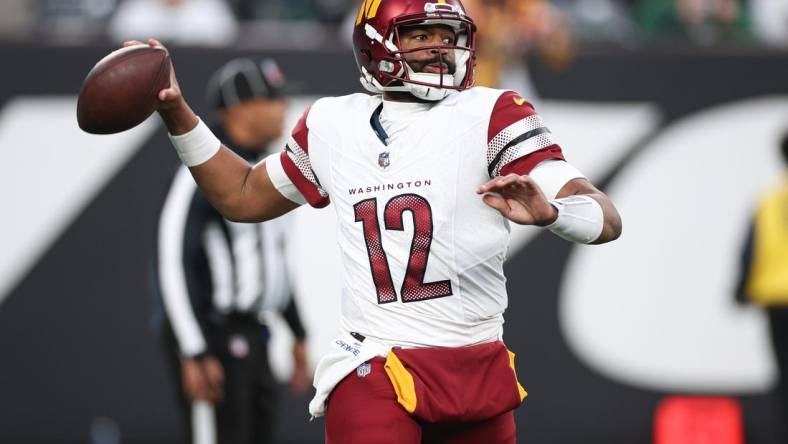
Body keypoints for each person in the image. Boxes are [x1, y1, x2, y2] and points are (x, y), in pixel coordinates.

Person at [131, 0, 622, 441]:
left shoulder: (493, 112)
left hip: (477, 362)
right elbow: (241, 196)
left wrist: (553, 213)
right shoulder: (331, 124)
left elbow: (604, 217)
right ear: (378, 41)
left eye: (447, 36)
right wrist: (178, 117)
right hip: (379, 362)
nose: (439, 49)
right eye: (420, 35)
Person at [154, 57, 310, 444]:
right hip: (215, 334)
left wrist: (298, 332)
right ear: (240, 108)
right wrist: (193, 350)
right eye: (271, 98)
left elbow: (273, 261)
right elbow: (174, 262)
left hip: (255, 332)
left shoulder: (269, 171)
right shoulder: (201, 177)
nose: (282, 108)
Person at [734, 133, 788, 438]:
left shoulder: (770, 199)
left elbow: (750, 249)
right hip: (777, 300)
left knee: (785, 377)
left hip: (777, 301)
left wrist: (741, 288)